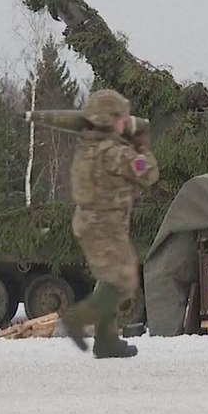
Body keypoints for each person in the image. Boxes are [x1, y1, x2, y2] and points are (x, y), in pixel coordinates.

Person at [60, 89, 159, 358]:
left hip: (93, 222)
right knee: (123, 282)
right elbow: (148, 173)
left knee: (111, 279)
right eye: (120, 119)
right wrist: (142, 147)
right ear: (108, 120)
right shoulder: (113, 153)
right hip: (105, 225)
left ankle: (106, 340)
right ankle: (78, 319)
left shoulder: (88, 148)